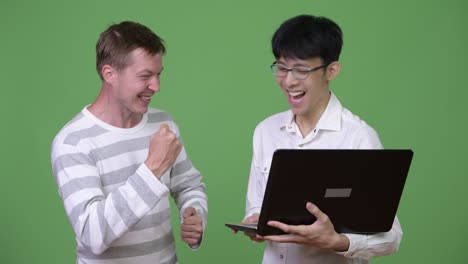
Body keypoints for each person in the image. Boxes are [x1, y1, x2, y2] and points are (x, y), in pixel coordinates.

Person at [241, 15, 402, 263]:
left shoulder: (358, 137)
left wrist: (338, 242)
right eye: (282, 68)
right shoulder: (265, 130)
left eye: (302, 70)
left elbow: (392, 237)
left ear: (331, 70)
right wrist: (256, 221)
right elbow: (256, 207)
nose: (289, 80)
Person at [50, 21, 208, 264]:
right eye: (145, 76)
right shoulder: (73, 142)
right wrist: (152, 169)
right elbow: (93, 235)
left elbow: (189, 185)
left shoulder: (162, 123)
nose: (156, 86)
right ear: (109, 74)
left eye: (158, 74)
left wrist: (195, 213)